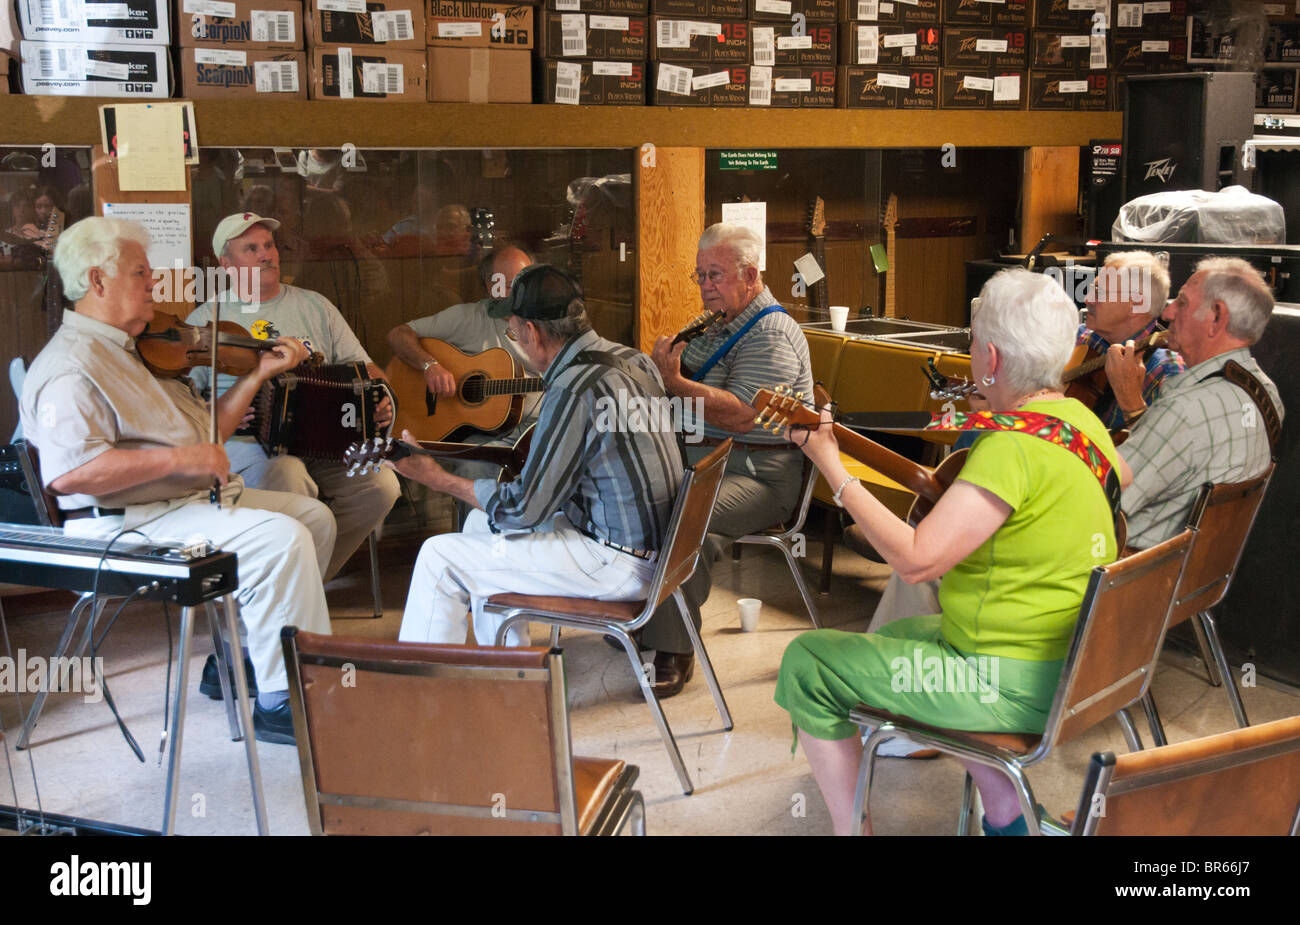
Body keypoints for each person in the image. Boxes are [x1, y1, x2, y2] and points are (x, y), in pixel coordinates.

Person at [775, 268, 1121, 835]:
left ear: (989, 356)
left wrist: (830, 465)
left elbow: (916, 560)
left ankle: (850, 831)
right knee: (891, 639)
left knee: (809, 662)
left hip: (1003, 685)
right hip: (1070, 666)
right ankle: (1009, 817)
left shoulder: (1008, 448)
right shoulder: (1082, 422)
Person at [20, 216, 336, 745]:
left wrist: (257, 375)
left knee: (312, 517)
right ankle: (283, 701)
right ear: (98, 282)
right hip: (121, 525)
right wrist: (181, 462)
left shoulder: (134, 350)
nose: (153, 283)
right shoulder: (73, 364)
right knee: (281, 539)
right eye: (141, 272)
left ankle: (247, 658)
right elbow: (71, 474)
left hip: (171, 506)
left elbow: (207, 432)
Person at [394, 265, 683, 649]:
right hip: (659, 549)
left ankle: (422, 699)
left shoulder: (572, 388)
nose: (515, 340)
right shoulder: (634, 359)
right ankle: (512, 670)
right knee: (480, 525)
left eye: (513, 331)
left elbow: (524, 509)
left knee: (438, 556)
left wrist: (435, 478)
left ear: (531, 331)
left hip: (616, 562)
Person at [645, 223, 813, 696]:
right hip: (711, 462)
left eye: (714, 275)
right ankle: (650, 620)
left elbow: (743, 415)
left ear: (751, 274)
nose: (704, 286)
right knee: (639, 499)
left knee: (684, 513)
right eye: (699, 276)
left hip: (760, 473)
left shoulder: (771, 333)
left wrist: (674, 383)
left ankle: (672, 648)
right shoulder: (717, 323)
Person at [187, 212, 400, 582]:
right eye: (250, 248)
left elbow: (367, 369)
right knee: (287, 474)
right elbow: (183, 404)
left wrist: (383, 400)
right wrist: (220, 412)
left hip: (325, 441)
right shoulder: (206, 319)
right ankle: (289, 592)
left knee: (381, 486)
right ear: (226, 263)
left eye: (269, 245)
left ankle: (306, 585)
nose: (265, 254)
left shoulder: (315, 305)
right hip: (243, 442)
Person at [1119, 257, 1283, 550]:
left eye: (1181, 302)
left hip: (1126, 577)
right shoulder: (1268, 395)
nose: (1168, 312)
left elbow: (1099, 501)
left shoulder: (1184, 412)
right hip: (1194, 581)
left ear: (1217, 317)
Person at [385, 246, 541, 526]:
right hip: (482, 435)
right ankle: (472, 552)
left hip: (536, 428)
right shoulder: (468, 318)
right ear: (488, 286)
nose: (515, 290)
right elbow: (399, 334)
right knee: (472, 465)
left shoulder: (547, 322)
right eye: (504, 283)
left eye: (523, 280)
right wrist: (429, 366)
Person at [1077, 250, 1184, 431]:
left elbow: (1161, 448)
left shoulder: (1168, 372)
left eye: (1100, 292)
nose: (1088, 300)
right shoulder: (1082, 338)